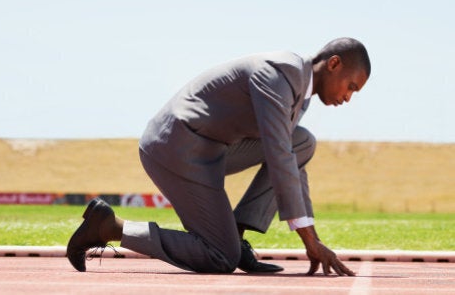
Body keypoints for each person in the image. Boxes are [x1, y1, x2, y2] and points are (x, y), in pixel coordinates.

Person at [67, 37, 370, 276]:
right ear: (333, 64)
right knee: (221, 256)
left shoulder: (299, 93)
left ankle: (236, 235)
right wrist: (310, 241)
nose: (348, 97)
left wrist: (311, 235)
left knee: (301, 142)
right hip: (176, 147)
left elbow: (289, 159)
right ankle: (110, 227)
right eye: (351, 87)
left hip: (209, 148)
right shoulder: (280, 76)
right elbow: (279, 157)